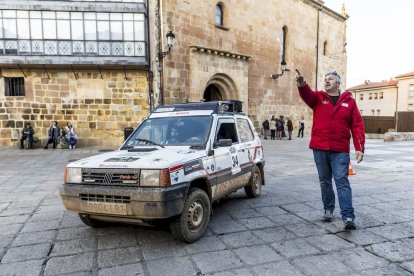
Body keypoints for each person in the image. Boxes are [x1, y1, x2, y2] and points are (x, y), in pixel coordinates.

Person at [295, 69, 365, 230]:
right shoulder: (318, 98)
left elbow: (357, 125)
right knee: (325, 180)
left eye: (331, 79)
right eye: (325, 79)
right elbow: (307, 95)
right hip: (320, 148)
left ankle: (348, 216)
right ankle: (328, 209)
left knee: (342, 181)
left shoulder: (349, 101)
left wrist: (359, 147)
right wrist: (301, 83)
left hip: (340, 149)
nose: (327, 81)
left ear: (338, 83)